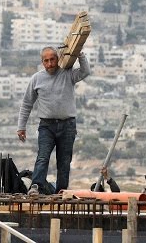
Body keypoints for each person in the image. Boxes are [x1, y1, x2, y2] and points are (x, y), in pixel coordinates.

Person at [17, 46, 91, 195]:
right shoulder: (37, 79)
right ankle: (36, 186)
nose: (50, 63)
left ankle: (61, 191)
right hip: (47, 126)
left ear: (57, 59)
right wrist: (21, 127)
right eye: (46, 61)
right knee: (43, 156)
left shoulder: (67, 74)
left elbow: (85, 72)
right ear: (42, 62)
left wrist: (79, 54)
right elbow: (27, 103)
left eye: (52, 59)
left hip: (68, 125)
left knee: (64, 161)